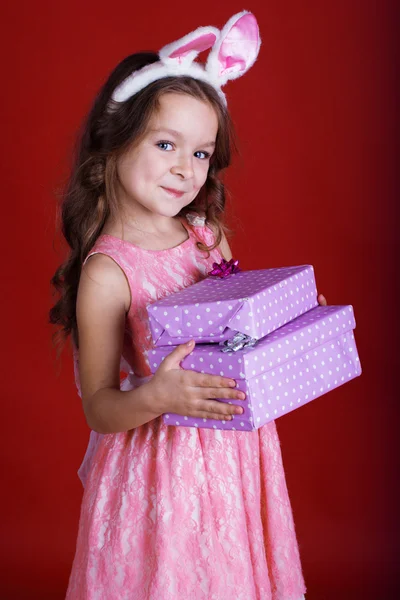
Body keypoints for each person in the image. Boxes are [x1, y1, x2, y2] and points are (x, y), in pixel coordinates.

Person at [50, 11, 326, 600]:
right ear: (114, 140)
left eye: (201, 153)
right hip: (161, 467)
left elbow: (237, 333)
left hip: (229, 447)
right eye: (166, 143)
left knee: (228, 575)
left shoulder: (205, 234)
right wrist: (154, 396)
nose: (184, 167)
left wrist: (291, 319)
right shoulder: (108, 272)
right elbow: (100, 408)